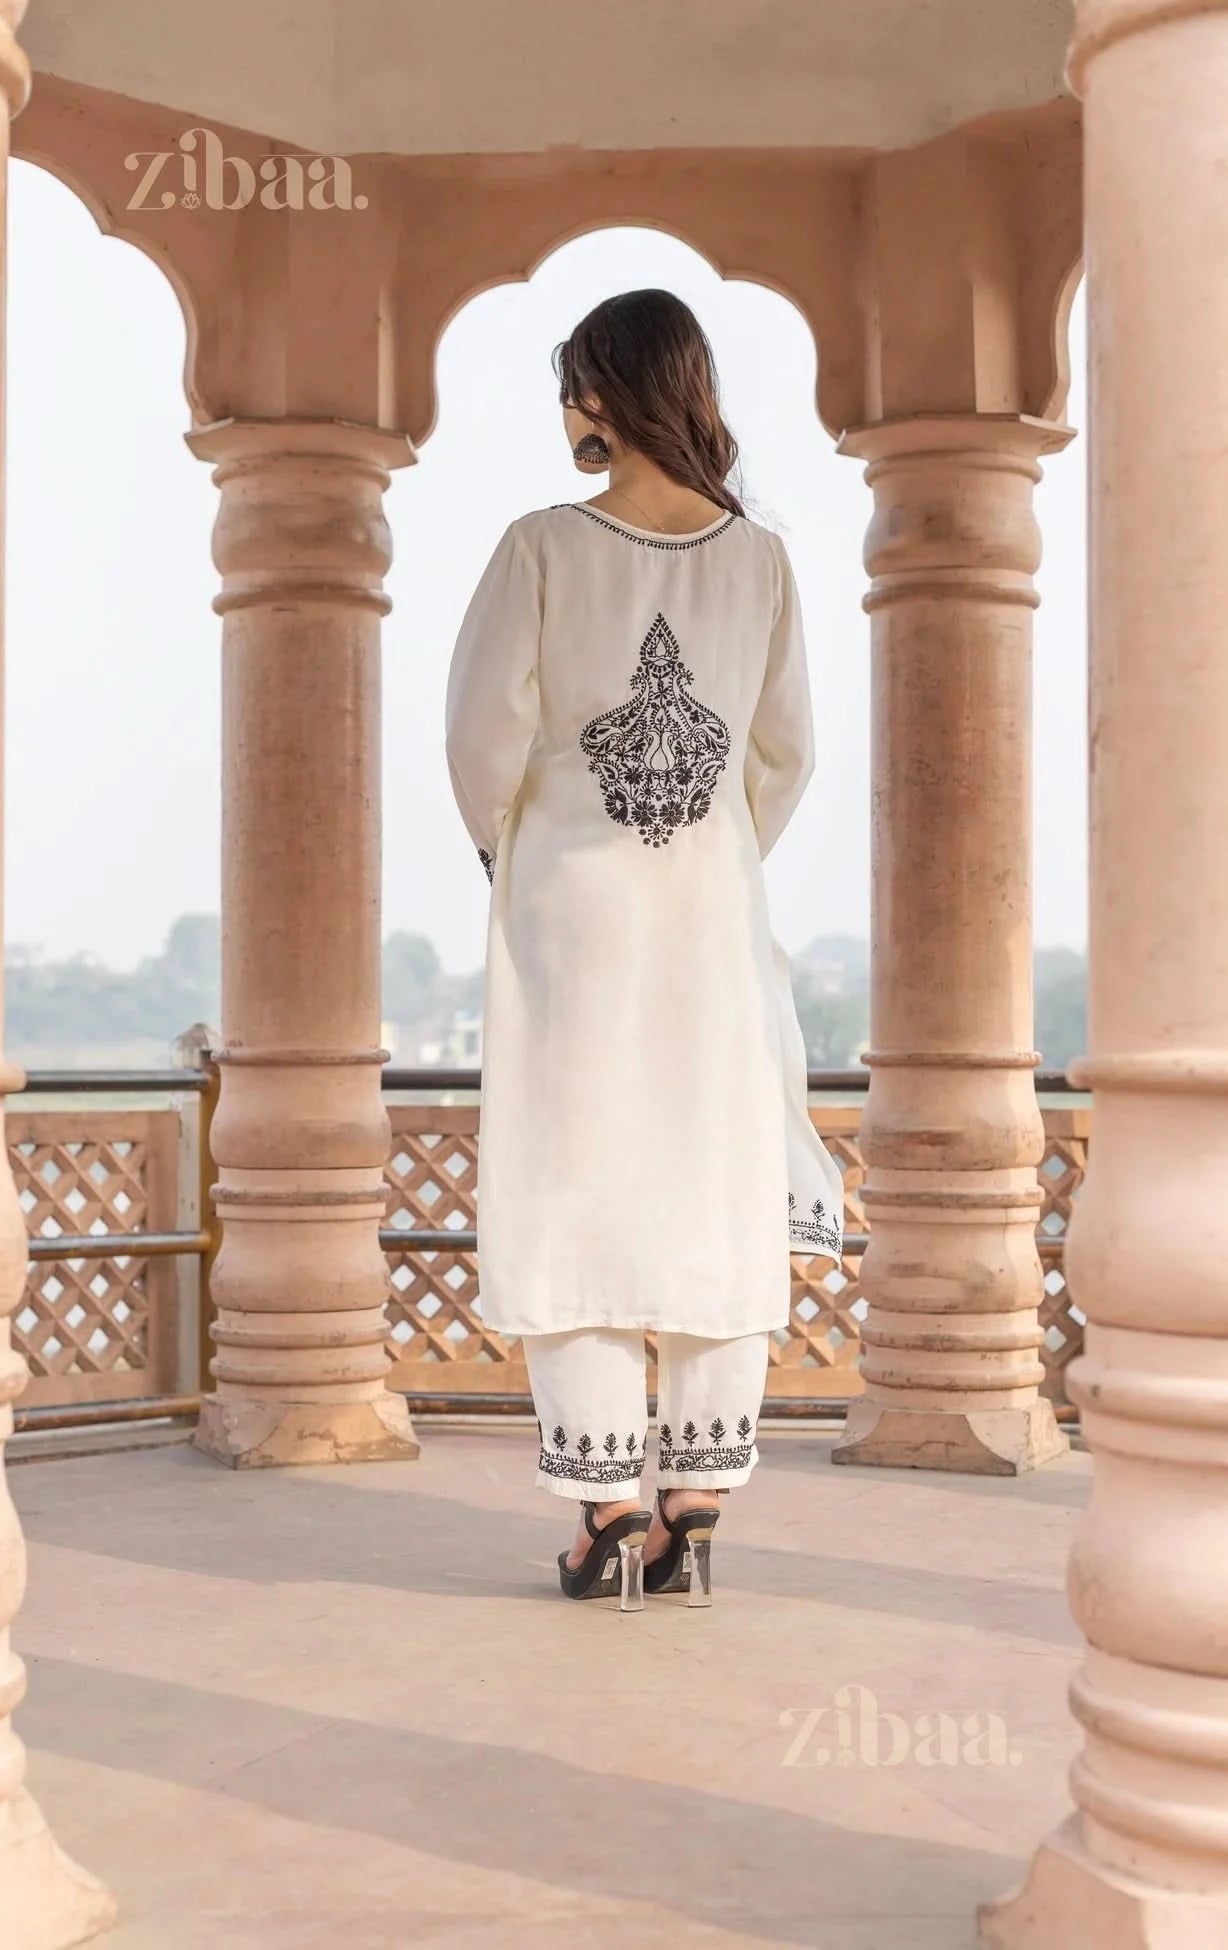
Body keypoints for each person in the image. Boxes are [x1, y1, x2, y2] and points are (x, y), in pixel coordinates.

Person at [445, 288, 843, 1608]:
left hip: (572, 913)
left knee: (579, 1177)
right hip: (712, 920)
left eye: (571, 382)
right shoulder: (760, 561)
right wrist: (712, 856)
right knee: (715, 1176)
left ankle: (609, 1508)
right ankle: (697, 1503)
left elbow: (482, 738)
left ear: (600, 394)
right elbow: (783, 754)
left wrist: (517, 854)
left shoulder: (541, 547)